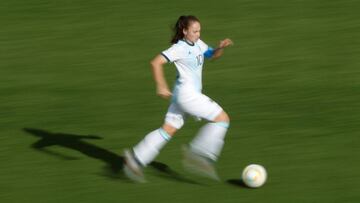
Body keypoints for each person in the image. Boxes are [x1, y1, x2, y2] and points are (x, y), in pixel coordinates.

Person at [123, 15, 233, 183]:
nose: (198, 34)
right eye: (195, 31)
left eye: (199, 31)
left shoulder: (198, 43)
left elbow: (212, 56)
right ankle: (199, 154)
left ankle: (135, 159)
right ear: (184, 31)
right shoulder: (179, 48)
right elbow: (155, 63)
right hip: (188, 95)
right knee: (222, 119)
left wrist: (220, 48)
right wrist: (160, 85)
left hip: (182, 96)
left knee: (168, 129)